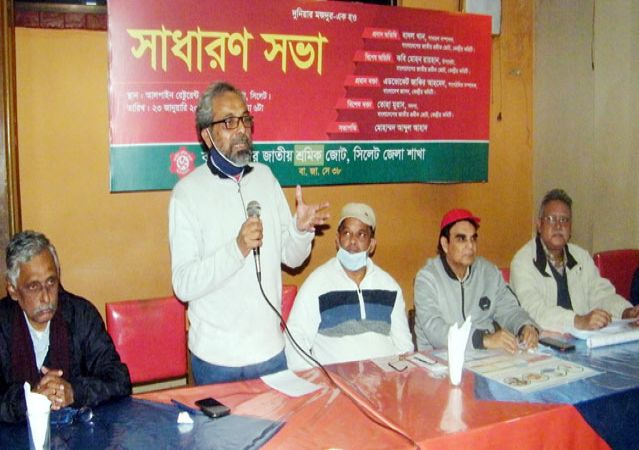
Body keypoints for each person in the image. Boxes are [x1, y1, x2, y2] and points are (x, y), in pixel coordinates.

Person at [169, 81, 329, 385]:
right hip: (217, 361)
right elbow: (183, 284)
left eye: (245, 119)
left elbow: (293, 259)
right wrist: (237, 249)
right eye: (229, 122)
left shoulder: (266, 178)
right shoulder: (187, 194)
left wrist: (300, 231)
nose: (241, 129)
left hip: (270, 353)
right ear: (207, 136)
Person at [0, 231, 130, 423]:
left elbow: (119, 379)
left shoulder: (81, 315)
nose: (46, 297)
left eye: (51, 282)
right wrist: (30, 399)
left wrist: (74, 392)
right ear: (13, 290)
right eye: (34, 287)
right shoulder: (3, 323)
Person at [285, 203, 413, 370]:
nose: (352, 241)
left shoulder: (389, 287)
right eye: (347, 233)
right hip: (335, 383)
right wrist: (317, 379)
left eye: (361, 235)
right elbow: (294, 340)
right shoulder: (317, 284)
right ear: (337, 240)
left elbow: (405, 349)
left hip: (384, 381)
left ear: (372, 244)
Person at [510, 189, 639, 332]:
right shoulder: (523, 261)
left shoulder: (580, 257)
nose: (558, 226)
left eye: (564, 220)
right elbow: (533, 311)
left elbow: (601, 295)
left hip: (583, 338)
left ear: (570, 228)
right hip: (543, 340)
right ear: (539, 225)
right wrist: (578, 321)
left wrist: (626, 312)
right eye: (551, 219)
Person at [414, 209, 539, 354]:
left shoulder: (488, 272)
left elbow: (509, 309)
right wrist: (483, 339)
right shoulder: (427, 278)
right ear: (445, 244)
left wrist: (525, 326)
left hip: (485, 358)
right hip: (440, 359)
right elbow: (435, 331)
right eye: (461, 239)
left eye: (473, 239)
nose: (470, 246)